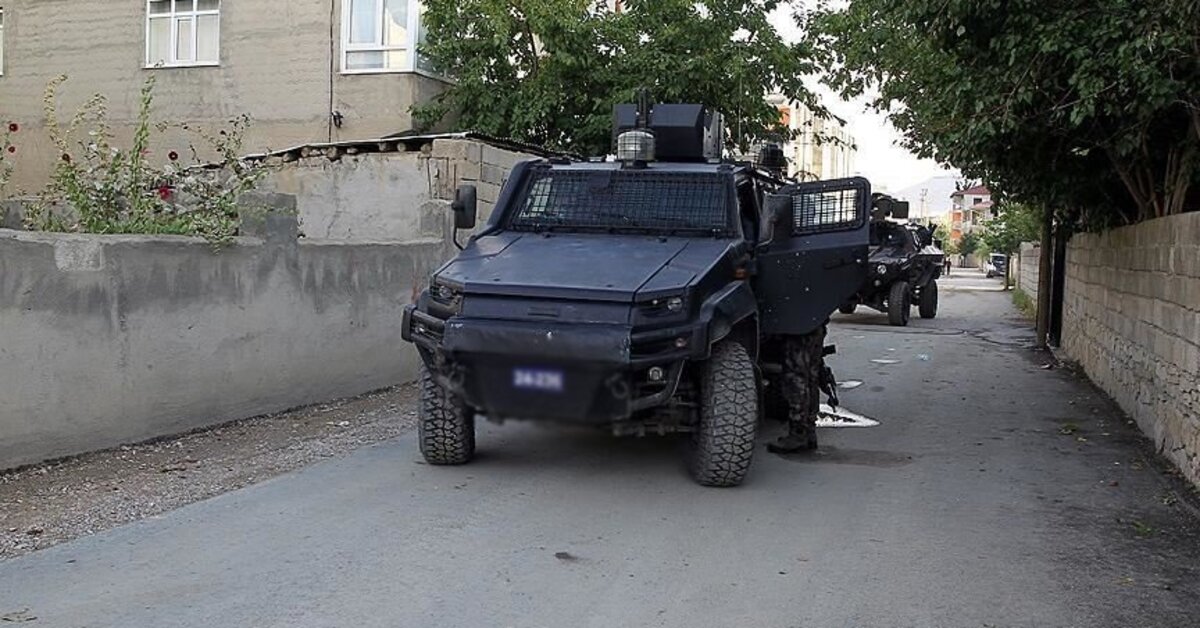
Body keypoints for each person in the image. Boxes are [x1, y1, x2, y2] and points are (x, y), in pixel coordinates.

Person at [768, 324, 827, 453]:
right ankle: (809, 430)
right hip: (814, 324)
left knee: (796, 378)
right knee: (811, 377)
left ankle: (798, 433)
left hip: (798, 330)